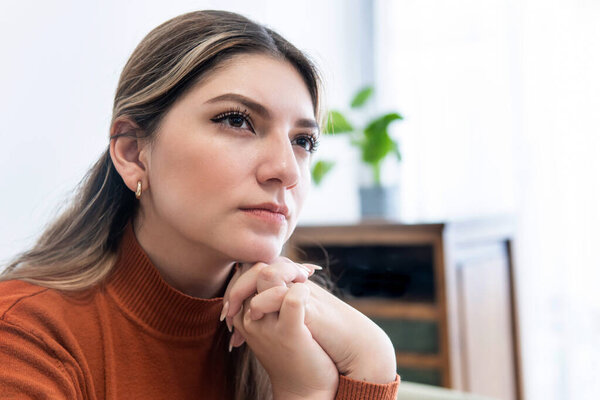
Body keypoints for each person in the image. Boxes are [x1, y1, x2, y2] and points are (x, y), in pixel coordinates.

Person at [0, 10, 400, 400]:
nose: (286, 170)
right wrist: (305, 392)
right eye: (236, 120)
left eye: (303, 141)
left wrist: (372, 359)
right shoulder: (23, 337)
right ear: (133, 153)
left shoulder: (311, 337)